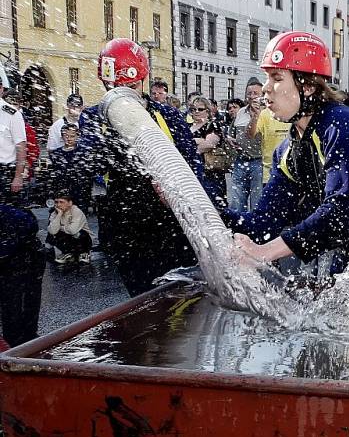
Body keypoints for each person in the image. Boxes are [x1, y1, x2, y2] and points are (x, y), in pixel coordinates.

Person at [228, 32, 349, 274]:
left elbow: (345, 210)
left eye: (276, 78)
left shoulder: (341, 126)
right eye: (266, 78)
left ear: (309, 87)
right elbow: (264, 222)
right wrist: (209, 213)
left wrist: (266, 252)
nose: (266, 89)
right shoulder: (288, 149)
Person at [78, 38, 210, 296]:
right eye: (116, 87)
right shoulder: (94, 117)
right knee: (142, 297)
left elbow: (192, 166)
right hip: (126, 224)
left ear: (142, 81)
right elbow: (89, 162)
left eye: (131, 87)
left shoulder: (166, 115)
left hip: (169, 220)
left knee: (180, 292)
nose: (124, 95)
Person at [0, 202, 44, 347]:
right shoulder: (12, 213)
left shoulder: (12, 215)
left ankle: (21, 342)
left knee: (15, 302)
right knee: (18, 301)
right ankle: (25, 340)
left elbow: (27, 226)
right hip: (24, 258)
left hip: (23, 260)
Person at [229, 77, 266, 212]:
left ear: (263, 95)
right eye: (249, 93)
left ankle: (253, 230)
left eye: (256, 93)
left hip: (259, 162)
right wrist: (230, 139)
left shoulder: (268, 113)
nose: (252, 96)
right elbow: (231, 131)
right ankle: (238, 228)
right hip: (241, 160)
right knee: (236, 202)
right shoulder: (241, 112)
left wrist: (257, 115)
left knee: (257, 202)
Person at [190, 96, 229, 205]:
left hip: (211, 172)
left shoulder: (213, 125)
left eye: (200, 109)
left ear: (207, 111)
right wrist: (199, 140)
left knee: (213, 204)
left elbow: (209, 144)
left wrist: (191, 143)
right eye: (193, 109)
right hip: (193, 170)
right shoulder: (188, 126)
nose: (196, 112)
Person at [48, 123, 92, 211]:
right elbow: (54, 174)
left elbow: (88, 174)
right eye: (66, 136)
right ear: (62, 137)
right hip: (62, 190)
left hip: (79, 191)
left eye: (72, 136)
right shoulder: (56, 154)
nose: (69, 139)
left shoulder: (84, 153)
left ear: (77, 137)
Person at [0, 66, 27, 207]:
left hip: (4, 171)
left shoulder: (11, 114)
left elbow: (21, 147)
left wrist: (18, 176)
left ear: (1, 90)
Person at [46, 191, 93, 264]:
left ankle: (84, 253)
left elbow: (73, 230)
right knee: (54, 235)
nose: (58, 205)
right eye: (56, 202)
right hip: (67, 238)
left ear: (70, 203)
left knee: (79, 234)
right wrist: (59, 215)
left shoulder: (76, 211)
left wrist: (61, 227)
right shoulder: (54, 213)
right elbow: (52, 231)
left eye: (61, 202)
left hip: (82, 239)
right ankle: (68, 253)